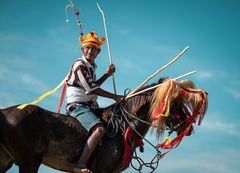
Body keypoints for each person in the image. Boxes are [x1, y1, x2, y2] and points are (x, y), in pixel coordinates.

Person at [65, 31, 124, 173]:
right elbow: (91, 89)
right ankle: (80, 164)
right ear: (82, 50)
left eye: (93, 49)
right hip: (78, 106)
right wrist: (115, 97)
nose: (90, 51)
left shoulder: (91, 67)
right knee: (99, 129)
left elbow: (93, 84)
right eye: (87, 48)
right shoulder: (79, 65)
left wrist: (107, 75)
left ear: (98, 52)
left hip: (89, 106)